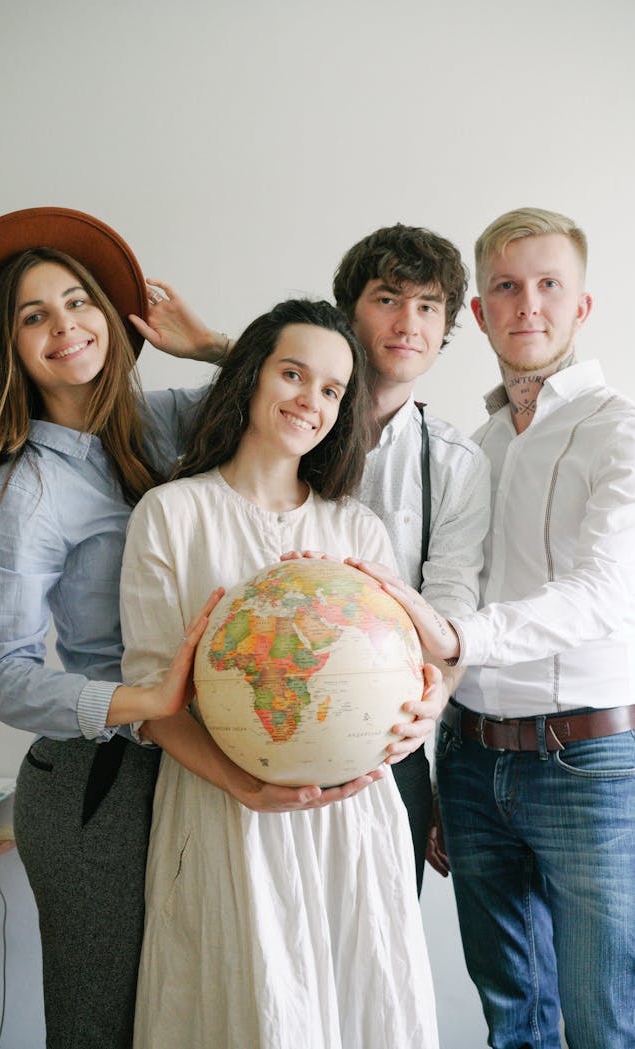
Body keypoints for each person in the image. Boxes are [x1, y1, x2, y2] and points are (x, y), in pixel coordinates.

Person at [119, 298, 441, 1049]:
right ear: (250, 377)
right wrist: (245, 787)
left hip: (353, 824)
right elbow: (151, 701)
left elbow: (410, 665)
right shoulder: (170, 515)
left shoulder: (355, 526)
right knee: (243, 1012)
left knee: (360, 1008)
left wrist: (427, 704)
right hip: (226, 815)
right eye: (293, 373)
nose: (310, 399)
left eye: (332, 390)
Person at [0, 207, 220, 1049]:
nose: (65, 324)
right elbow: (4, 674)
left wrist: (206, 344)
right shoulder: (27, 493)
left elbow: (303, 391)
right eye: (35, 315)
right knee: (105, 1030)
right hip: (96, 790)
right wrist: (142, 698)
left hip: (190, 768)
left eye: (77, 300)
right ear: (13, 347)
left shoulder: (165, 419)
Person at [351, 207, 635, 1049]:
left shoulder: (619, 429)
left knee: (603, 1023)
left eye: (551, 285)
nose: (528, 305)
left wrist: (459, 639)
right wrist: (444, 756)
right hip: (472, 761)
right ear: (477, 314)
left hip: (587, 763)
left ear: (582, 306)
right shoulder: (470, 445)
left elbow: (604, 593)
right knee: (512, 1020)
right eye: (506, 287)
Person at [136, 224, 491, 891]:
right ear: (351, 311)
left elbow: (446, 627)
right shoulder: (183, 504)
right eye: (388, 298)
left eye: (428, 307)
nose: (408, 322)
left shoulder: (450, 464)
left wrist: (434, 695)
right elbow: (277, 375)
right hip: (231, 769)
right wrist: (226, 348)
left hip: (375, 752)